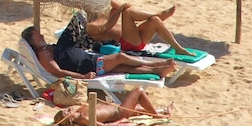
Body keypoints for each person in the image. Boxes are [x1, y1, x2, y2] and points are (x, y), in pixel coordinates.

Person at [22, 26, 176, 79]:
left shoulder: (46, 48)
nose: (41, 35)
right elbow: (58, 72)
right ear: (33, 41)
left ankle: (157, 71)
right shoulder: (44, 55)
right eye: (38, 36)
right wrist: (83, 76)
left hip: (89, 62)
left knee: (124, 68)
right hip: (89, 65)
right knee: (120, 57)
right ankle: (157, 64)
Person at [87, 0, 192, 56]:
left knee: (155, 20)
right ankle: (158, 14)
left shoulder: (107, 16)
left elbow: (120, 5)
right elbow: (107, 26)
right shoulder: (90, 26)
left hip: (136, 38)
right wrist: (120, 10)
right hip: (127, 45)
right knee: (127, 12)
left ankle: (178, 48)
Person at [54, 86, 172, 126]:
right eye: (66, 112)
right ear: (69, 120)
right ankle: (156, 115)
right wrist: (118, 122)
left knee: (137, 108)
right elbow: (103, 125)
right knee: (139, 91)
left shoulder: (80, 110)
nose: (68, 109)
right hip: (119, 112)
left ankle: (162, 111)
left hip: (116, 107)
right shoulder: (84, 118)